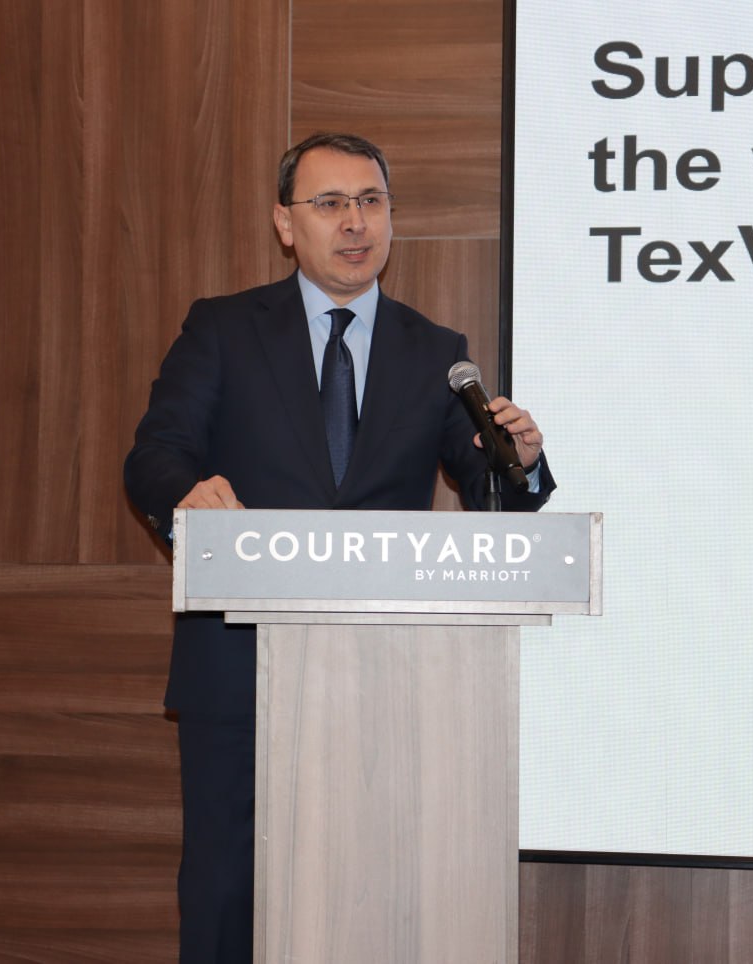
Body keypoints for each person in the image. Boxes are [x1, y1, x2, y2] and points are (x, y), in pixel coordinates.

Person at [124, 132, 555, 963]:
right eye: (330, 204)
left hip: (388, 676)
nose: (355, 222)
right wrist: (187, 496)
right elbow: (155, 453)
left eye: (371, 202)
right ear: (286, 224)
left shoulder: (437, 353)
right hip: (240, 666)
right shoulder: (223, 329)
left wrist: (521, 463)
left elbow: (490, 490)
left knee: (375, 892)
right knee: (227, 891)